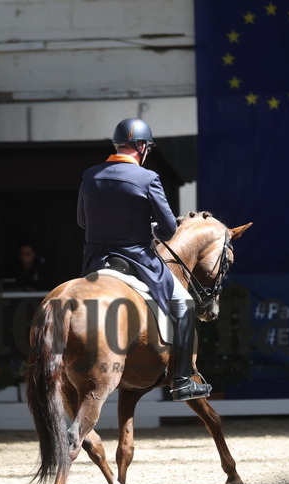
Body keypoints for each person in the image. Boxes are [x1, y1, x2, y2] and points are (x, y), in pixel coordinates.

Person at [77, 117, 211, 401]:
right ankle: (183, 379)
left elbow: (82, 221)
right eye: (146, 147)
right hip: (136, 258)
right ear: (140, 147)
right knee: (184, 304)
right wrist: (146, 227)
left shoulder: (90, 175)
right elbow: (169, 229)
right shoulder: (147, 178)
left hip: (95, 261)